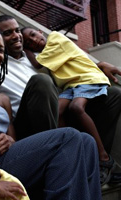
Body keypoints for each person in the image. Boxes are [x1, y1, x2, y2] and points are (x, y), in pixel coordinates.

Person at [0, 24, 102, 200]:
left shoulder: (2, 98)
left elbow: (13, 140)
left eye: (0, 49)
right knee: (69, 137)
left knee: (87, 141)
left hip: (7, 159)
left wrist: (7, 140)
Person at [0, 15, 121, 184]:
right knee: (42, 82)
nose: (16, 36)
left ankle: (100, 163)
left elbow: (72, 64)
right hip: (28, 126)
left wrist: (100, 65)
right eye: (8, 33)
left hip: (57, 115)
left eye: (17, 30)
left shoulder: (37, 56)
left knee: (114, 95)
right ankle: (65, 158)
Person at [20, 27, 114, 167]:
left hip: (88, 79)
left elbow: (37, 63)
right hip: (71, 87)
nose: (34, 40)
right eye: (29, 42)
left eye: (33, 35)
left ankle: (103, 156)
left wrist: (25, 49)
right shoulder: (46, 55)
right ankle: (70, 152)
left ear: (40, 32)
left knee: (76, 107)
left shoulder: (55, 37)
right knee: (56, 112)